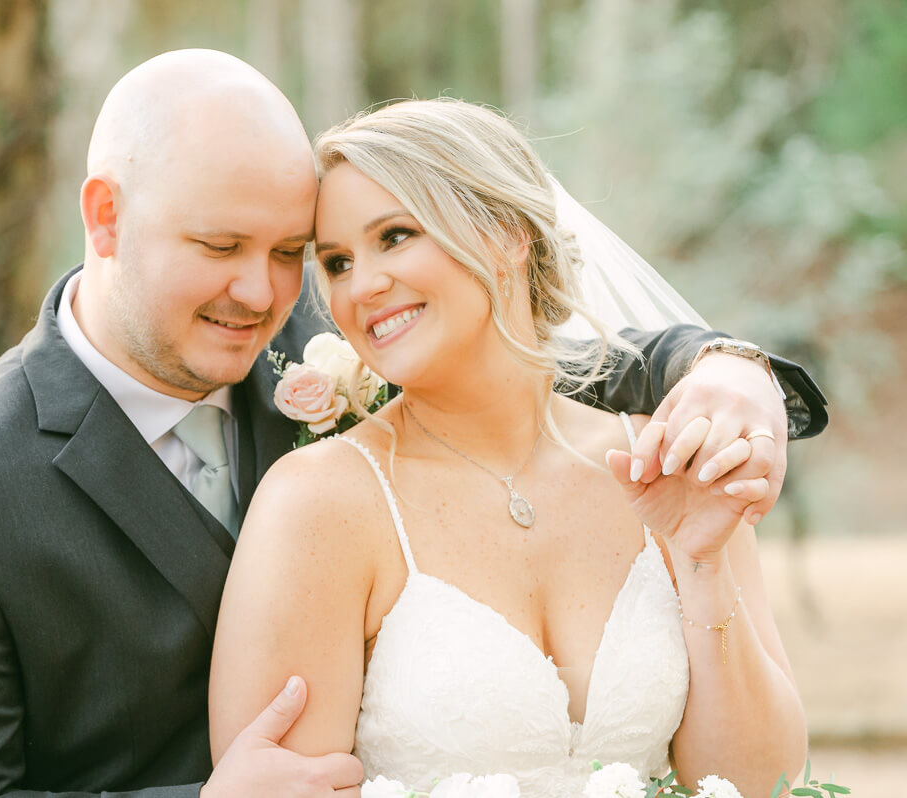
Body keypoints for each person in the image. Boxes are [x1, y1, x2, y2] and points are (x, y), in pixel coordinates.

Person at [0, 51, 824, 797]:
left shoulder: (340, 342)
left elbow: (523, 365)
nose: (265, 293)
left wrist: (726, 368)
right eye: (220, 245)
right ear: (104, 217)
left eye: (290, 253)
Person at [208, 98, 809, 798]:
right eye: (337, 262)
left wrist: (704, 563)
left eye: (395, 236)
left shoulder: (667, 462)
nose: (360, 286)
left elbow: (760, 781)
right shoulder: (320, 500)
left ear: (507, 234)